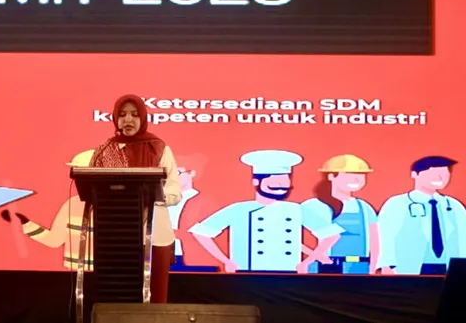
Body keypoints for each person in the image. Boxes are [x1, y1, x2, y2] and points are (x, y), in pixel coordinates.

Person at [89, 94, 182, 303]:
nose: (128, 120)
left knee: (154, 298)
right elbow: (93, 190)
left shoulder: (158, 148)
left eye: (134, 114)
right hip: (116, 235)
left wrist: (151, 197)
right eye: (122, 115)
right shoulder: (104, 150)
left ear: (143, 117)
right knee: (118, 298)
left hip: (154, 234)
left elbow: (175, 192)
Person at [189, 150, 340, 273]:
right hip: (246, 272)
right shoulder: (239, 209)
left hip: (289, 272)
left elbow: (331, 235)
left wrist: (307, 262)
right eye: (275, 181)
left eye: (285, 181)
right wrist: (226, 261)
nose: (281, 185)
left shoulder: (296, 209)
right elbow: (201, 233)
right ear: (256, 181)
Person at [0, 150, 95, 270]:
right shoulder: (72, 205)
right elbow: (54, 240)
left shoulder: (114, 206)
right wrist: (26, 224)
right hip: (76, 274)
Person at [377, 156, 466, 275]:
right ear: (415, 174)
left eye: (444, 173)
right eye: (433, 173)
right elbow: (386, 237)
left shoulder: (454, 206)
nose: (440, 178)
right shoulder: (397, 203)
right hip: (410, 267)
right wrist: (387, 265)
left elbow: (462, 237)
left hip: (449, 267)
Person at [301, 154, 379, 274]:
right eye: (349, 174)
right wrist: (312, 258)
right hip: (323, 268)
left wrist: (372, 270)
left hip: (358, 267)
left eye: (361, 175)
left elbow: (375, 243)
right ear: (331, 176)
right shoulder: (313, 205)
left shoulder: (364, 207)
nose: (356, 179)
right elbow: (288, 237)